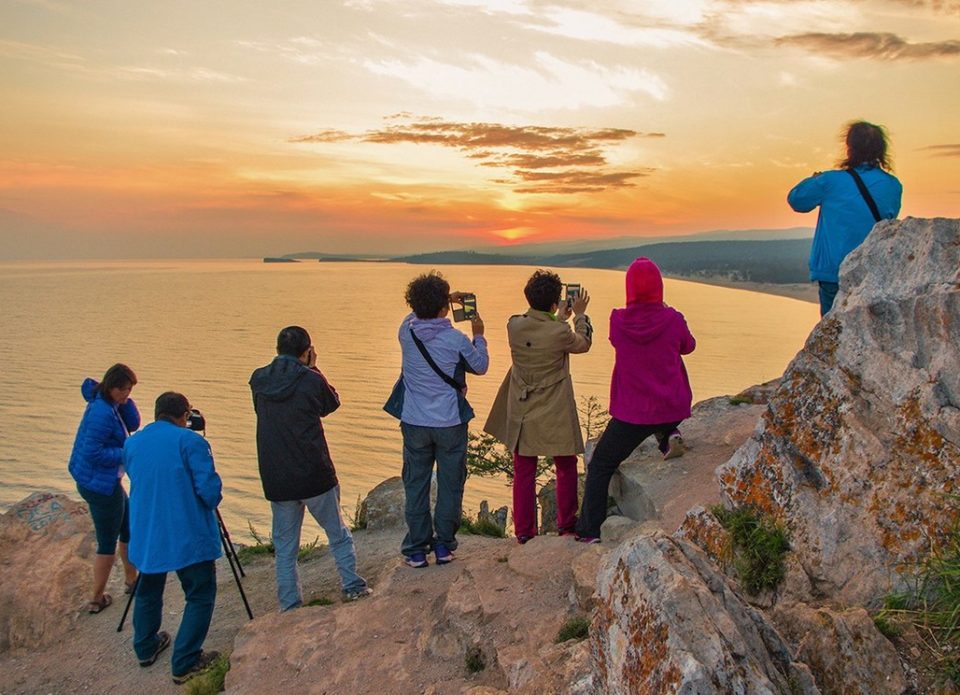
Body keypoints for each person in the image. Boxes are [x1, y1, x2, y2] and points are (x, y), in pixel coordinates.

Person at [575, 258, 695, 543]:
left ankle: (589, 531)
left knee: (601, 464)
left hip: (633, 415)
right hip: (671, 407)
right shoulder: (672, 319)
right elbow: (688, 346)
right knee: (663, 414)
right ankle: (668, 435)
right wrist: (668, 314)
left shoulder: (618, 320)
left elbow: (617, 341)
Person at [250, 326, 370, 609]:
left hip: (276, 475)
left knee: (285, 547)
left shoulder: (258, 380)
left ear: (278, 349)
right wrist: (314, 369)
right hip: (314, 472)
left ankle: (290, 604)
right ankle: (352, 585)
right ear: (307, 352)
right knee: (337, 534)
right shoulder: (310, 379)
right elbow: (331, 404)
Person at [484, 270, 592, 544]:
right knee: (565, 463)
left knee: (524, 467)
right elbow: (584, 344)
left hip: (522, 404)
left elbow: (539, 329)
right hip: (553, 404)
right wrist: (578, 315)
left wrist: (556, 316)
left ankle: (524, 532)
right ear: (556, 302)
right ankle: (566, 525)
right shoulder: (560, 332)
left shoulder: (514, 325)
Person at [124, 392, 223, 685]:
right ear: (184, 416)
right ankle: (185, 660)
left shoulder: (132, 443)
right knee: (200, 593)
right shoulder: (191, 442)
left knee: (149, 589)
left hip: (148, 531)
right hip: (186, 532)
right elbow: (209, 492)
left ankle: (146, 646)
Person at [393, 272, 488, 568]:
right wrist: (479, 332)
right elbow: (481, 366)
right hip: (449, 423)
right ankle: (444, 546)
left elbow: (415, 314)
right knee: (450, 485)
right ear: (444, 307)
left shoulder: (406, 332)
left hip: (414, 422)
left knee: (416, 484)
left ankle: (417, 550)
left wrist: (435, 302)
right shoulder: (455, 339)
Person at [788, 120, 903, 316]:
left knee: (834, 332)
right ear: (880, 150)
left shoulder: (830, 181)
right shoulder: (893, 185)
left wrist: (815, 179)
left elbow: (796, 200)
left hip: (834, 272)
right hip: (872, 271)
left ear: (850, 148)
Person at [67, 363, 140, 614]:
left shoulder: (111, 405)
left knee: (128, 524)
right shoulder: (101, 411)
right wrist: (126, 452)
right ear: (112, 387)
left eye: (130, 390)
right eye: (125, 390)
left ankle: (132, 579)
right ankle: (96, 598)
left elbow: (133, 424)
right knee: (107, 540)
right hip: (99, 483)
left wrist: (125, 402)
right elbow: (92, 452)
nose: (127, 394)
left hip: (105, 480)